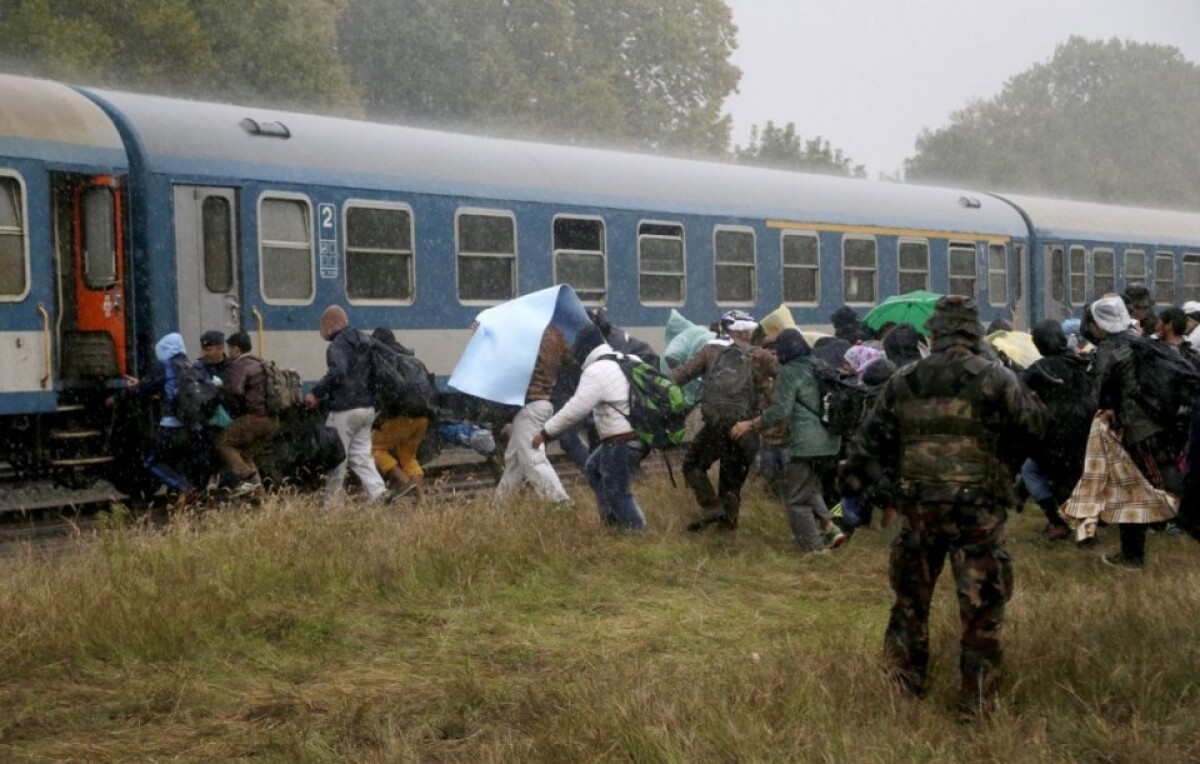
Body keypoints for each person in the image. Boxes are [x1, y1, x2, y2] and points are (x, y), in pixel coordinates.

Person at [840, 296, 1044, 716]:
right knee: (981, 608)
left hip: (918, 509)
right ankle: (976, 701)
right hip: (976, 511)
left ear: (933, 333)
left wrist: (853, 491)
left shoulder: (904, 380)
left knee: (910, 605)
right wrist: (1004, 464)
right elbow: (1036, 424)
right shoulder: (995, 378)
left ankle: (902, 689)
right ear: (974, 334)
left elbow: (869, 443)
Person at [1086, 296, 1185, 567]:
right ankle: (1132, 555)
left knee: (1159, 489)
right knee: (1133, 492)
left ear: (1100, 324)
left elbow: (1095, 398)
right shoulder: (1140, 341)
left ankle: (1184, 525)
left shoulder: (1109, 350)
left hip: (1137, 431)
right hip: (1153, 425)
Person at [732, 329, 844, 552]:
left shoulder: (790, 372)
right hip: (831, 439)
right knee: (808, 487)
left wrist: (750, 424)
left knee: (796, 500)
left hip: (806, 442)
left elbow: (780, 411)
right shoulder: (819, 364)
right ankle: (832, 528)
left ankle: (814, 550)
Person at [669, 310, 778, 531]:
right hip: (746, 428)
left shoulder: (710, 351)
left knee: (692, 465)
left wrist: (652, 378)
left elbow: (680, 376)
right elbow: (785, 376)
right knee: (731, 485)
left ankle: (711, 507)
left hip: (716, 426)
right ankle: (727, 533)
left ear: (725, 329)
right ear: (746, 332)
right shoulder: (760, 356)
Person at [534, 325, 647, 530]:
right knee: (592, 467)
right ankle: (611, 521)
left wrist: (545, 432)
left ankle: (638, 532)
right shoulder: (624, 360)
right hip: (633, 433)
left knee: (618, 491)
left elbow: (575, 410)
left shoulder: (596, 372)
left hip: (620, 437)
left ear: (586, 349)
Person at [111, 332, 211, 507]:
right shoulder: (193, 366)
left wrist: (118, 397)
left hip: (171, 427)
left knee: (152, 461)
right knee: (181, 462)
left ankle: (185, 488)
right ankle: (193, 494)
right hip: (194, 428)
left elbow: (141, 390)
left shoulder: (165, 366)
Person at [304, 305, 389, 508]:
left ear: (331, 324)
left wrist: (316, 393)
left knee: (337, 459)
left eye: (323, 326)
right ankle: (379, 493)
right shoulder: (364, 340)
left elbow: (338, 372)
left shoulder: (337, 345)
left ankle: (332, 508)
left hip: (345, 409)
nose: (322, 331)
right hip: (367, 409)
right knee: (362, 456)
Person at [1020, 320, 1096, 540]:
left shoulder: (1039, 368)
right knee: (1076, 481)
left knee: (1031, 471)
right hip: (1084, 432)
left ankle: (1058, 521)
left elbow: (1017, 389)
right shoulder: (1080, 362)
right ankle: (1085, 527)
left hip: (1053, 435)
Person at [493, 324, 573, 504]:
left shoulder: (530, 336)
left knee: (533, 459)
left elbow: (506, 359)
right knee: (514, 461)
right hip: (544, 401)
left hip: (530, 404)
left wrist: (484, 336)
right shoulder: (556, 333)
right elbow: (568, 358)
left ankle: (561, 500)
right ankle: (498, 505)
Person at [214, 331, 278, 497]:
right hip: (271, 420)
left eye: (230, 349)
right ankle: (261, 498)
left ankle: (246, 478)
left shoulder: (240, 364)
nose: (228, 353)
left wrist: (218, 386)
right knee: (244, 455)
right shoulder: (260, 362)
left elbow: (235, 390)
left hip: (255, 418)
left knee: (222, 442)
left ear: (236, 348)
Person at [370, 327, 430, 499]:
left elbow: (384, 393)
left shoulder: (385, 361)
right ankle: (423, 502)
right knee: (409, 457)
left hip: (402, 415)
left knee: (374, 448)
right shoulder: (413, 359)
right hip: (423, 416)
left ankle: (405, 483)